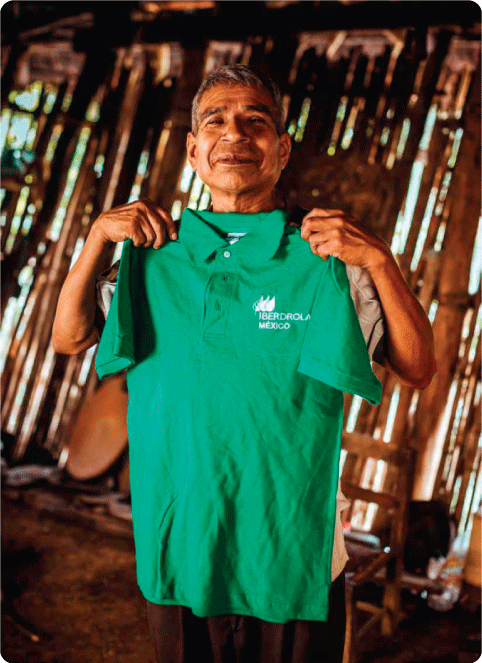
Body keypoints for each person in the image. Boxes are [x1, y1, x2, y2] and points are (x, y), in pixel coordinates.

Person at [52, 65, 436, 663]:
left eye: (256, 122)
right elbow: (68, 337)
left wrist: (381, 261)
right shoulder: (153, 257)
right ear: (194, 150)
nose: (235, 133)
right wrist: (98, 235)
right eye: (216, 120)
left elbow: (416, 366)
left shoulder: (324, 261)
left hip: (293, 553)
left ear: (282, 150)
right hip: (182, 546)